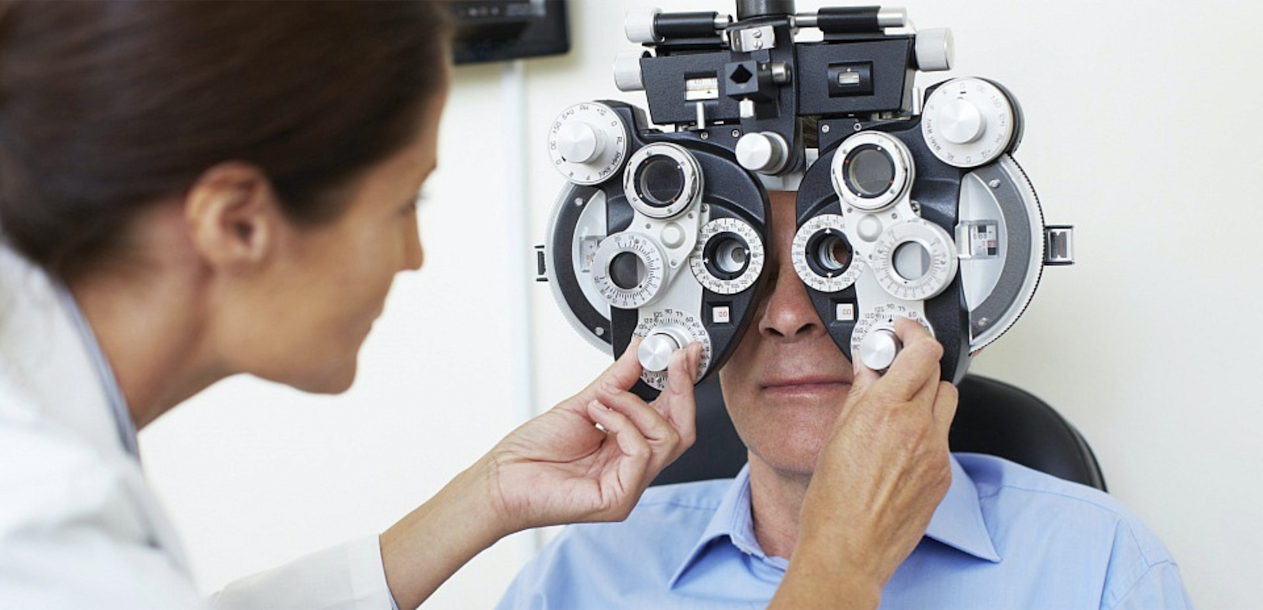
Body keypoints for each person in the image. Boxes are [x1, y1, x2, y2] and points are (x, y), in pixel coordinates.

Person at [0, 1, 955, 609]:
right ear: (239, 223)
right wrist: (835, 564)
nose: (416, 257)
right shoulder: (40, 521)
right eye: (403, 203)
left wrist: (488, 499)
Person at [495, 190, 1195, 609]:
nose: (787, 315)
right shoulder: (585, 575)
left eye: (831, 262)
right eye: (739, 271)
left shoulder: (1094, 561)